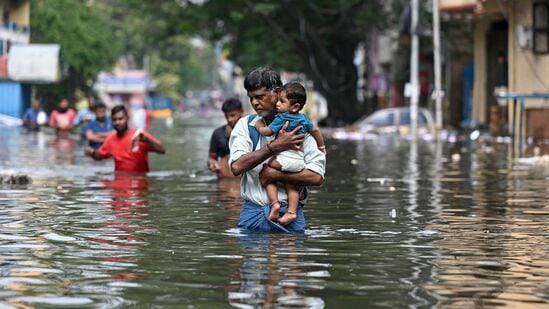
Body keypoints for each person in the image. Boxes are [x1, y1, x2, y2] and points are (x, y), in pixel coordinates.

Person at [229, 66, 326, 233]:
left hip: (291, 215)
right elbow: (237, 167)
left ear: (277, 93)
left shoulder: (302, 126)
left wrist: (276, 175)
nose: (254, 103)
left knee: (288, 258)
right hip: (252, 215)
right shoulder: (246, 125)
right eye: (251, 98)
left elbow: (316, 177)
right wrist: (274, 147)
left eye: (260, 97)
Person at [254, 82, 326, 225]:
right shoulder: (305, 119)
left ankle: (274, 204)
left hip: (284, 160)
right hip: (299, 161)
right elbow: (316, 131)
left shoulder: (281, 118)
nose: (278, 104)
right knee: (291, 184)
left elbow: (268, 132)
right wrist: (322, 147)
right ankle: (292, 212)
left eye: (282, 101)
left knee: (265, 172)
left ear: (295, 107)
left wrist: (259, 127)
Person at [84, 105, 165, 173]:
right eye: (114, 120)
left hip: (139, 184)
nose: (117, 122)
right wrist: (92, 153)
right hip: (119, 184)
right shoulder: (111, 139)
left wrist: (147, 140)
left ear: (127, 118)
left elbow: (162, 150)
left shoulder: (139, 135)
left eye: (120, 119)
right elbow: (100, 155)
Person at [208, 98, 244, 178]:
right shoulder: (218, 133)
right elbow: (212, 157)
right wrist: (213, 163)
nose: (229, 119)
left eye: (233, 115)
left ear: (241, 112)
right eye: (226, 116)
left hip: (245, 181)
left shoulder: (252, 130)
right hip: (224, 179)